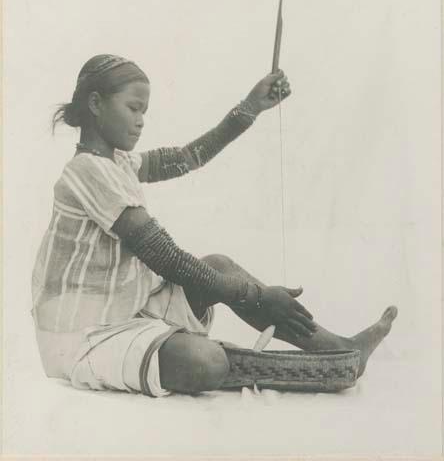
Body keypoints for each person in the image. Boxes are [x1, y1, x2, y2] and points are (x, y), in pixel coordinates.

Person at [31, 54, 397, 397]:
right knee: (205, 362)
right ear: (96, 104)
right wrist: (254, 295)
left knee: (218, 266)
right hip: (83, 335)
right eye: (133, 108)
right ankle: (253, 364)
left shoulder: (119, 163)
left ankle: (342, 351)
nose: (141, 120)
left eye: (145, 111)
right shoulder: (86, 171)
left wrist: (251, 108)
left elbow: (186, 158)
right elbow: (163, 256)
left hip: (127, 309)